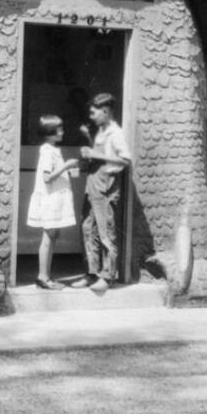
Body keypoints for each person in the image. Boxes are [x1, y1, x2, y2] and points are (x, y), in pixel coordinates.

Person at [74, 93, 131, 293]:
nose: (91, 116)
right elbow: (100, 155)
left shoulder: (116, 133)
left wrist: (95, 154)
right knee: (88, 229)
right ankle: (91, 273)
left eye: (94, 113)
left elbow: (125, 160)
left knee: (106, 232)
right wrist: (89, 144)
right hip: (92, 184)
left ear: (105, 112)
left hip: (106, 186)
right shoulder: (100, 131)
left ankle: (107, 276)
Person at [27, 115, 80, 290]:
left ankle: (47, 275)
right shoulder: (47, 151)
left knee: (52, 236)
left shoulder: (53, 150)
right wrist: (66, 166)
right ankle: (42, 277)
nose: (63, 132)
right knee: (48, 236)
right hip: (49, 200)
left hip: (55, 199)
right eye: (59, 129)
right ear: (50, 132)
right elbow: (47, 177)